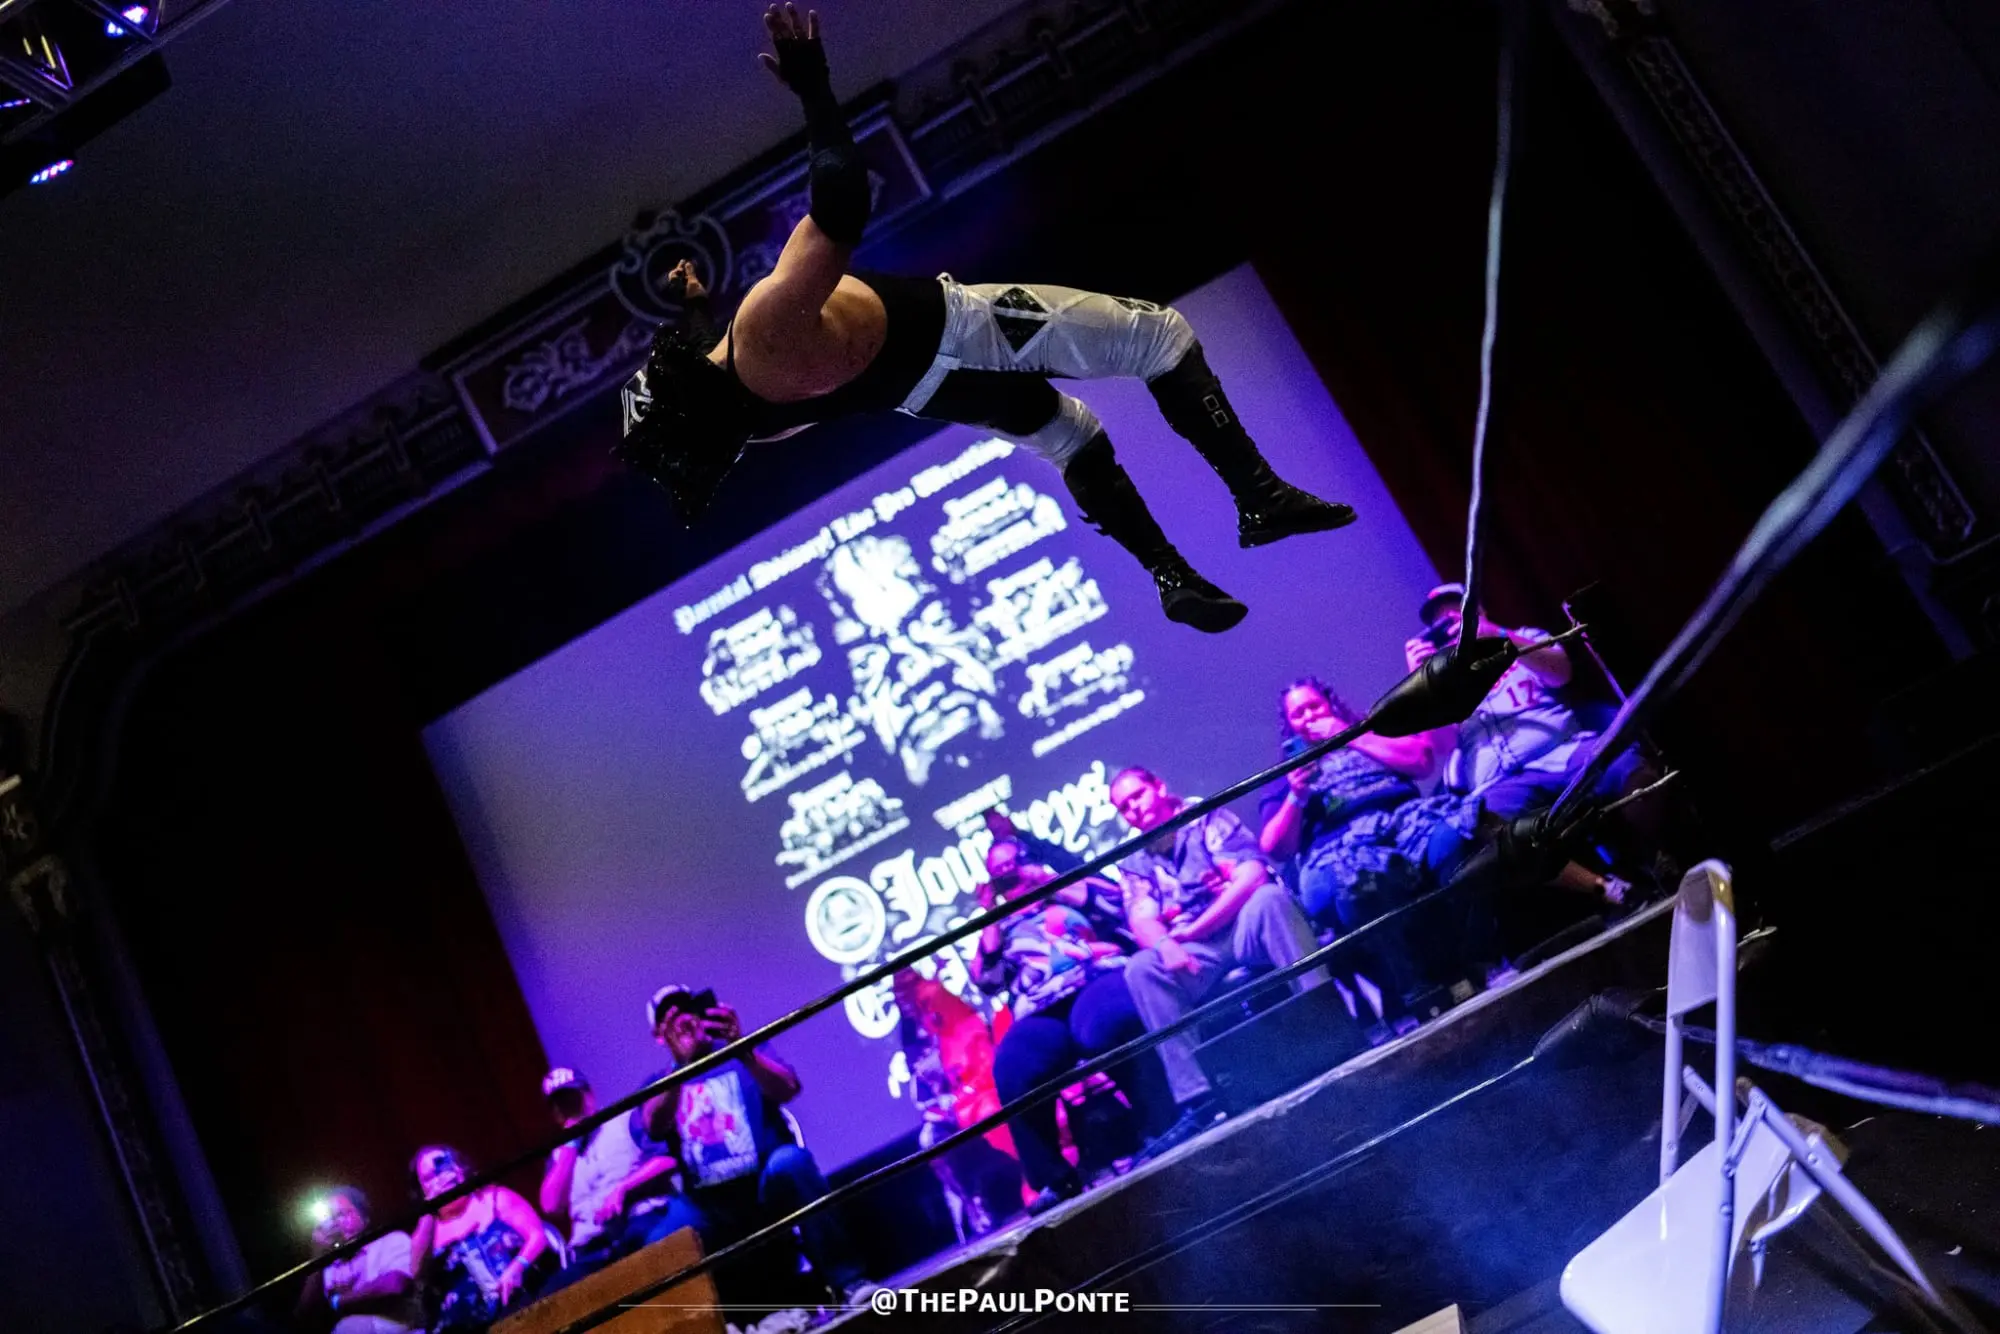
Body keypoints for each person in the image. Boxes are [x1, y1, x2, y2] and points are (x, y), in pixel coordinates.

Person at [616, 6, 1355, 634]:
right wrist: (814, 87)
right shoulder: (763, 329)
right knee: (1157, 335)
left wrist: (694, 301)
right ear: (681, 383)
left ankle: (1170, 576)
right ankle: (1258, 496)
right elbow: (841, 201)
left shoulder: (746, 419)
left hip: (933, 392)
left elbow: (709, 365)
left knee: (1070, 436)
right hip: (966, 331)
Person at [1111, 766, 1326, 1142]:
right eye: (1124, 807)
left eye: (1137, 796)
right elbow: (1142, 918)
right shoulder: (1133, 861)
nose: (1134, 809)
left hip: (1242, 924)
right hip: (1196, 954)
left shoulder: (1207, 816)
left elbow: (1252, 875)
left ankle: (1328, 1026)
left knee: (1270, 899)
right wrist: (1165, 945)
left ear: (1159, 787)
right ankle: (1201, 1099)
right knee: (1140, 968)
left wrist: (1195, 928)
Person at [1258, 677, 1476, 1037]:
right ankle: (1419, 993)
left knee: (1454, 838)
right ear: (1289, 726)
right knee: (1363, 884)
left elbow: (1420, 761)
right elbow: (1274, 847)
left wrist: (1348, 735)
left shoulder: (1370, 730)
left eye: (1314, 706)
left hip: (1403, 821)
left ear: (1330, 705)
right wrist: (1296, 796)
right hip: (1337, 847)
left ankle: (1476, 964)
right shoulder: (1287, 772)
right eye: (1298, 714)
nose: (1309, 716)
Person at [973, 839, 1174, 1212]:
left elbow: (1116, 906)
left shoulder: (1070, 889)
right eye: (999, 874)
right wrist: (989, 917)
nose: (1010, 876)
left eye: (1013, 865)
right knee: (1013, 1066)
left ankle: (1162, 1124)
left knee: (1106, 1024)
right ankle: (1055, 1178)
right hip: (1039, 1009)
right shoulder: (1003, 926)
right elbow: (987, 981)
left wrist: (1049, 885)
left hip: (1091, 979)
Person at [638, 984, 870, 1303]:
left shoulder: (742, 1052)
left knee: (792, 1163)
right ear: (660, 1035)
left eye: (686, 1008)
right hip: (709, 1205)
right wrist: (679, 1067)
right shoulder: (660, 1082)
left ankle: (849, 1281)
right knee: (663, 1238)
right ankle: (706, 1323)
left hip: (763, 1185)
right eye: (670, 1018)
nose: (683, 1021)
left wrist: (741, 1048)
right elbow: (654, 1125)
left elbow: (788, 1088)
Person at [890, 969, 1024, 1238]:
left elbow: (980, 1057)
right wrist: (939, 1096)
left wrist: (956, 1078)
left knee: (990, 1112)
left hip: (977, 1091)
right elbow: (921, 1082)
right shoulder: (910, 1030)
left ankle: (1031, 1174)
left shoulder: (945, 1007)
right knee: (930, 1140)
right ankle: (974, 1205)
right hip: (947, 1105)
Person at [536, 1067, 696, 1290]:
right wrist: (570, 1145)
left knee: (647, 1251)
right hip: (590, 1248)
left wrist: (624, 1188)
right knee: (554, 1292)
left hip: (639, 1223)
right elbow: (551, 1206)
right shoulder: (559, 1156)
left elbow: (667, 1160)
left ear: (589, 1096)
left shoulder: (624, 1120)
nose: (569, 1109)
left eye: (573, 1099)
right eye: (561, 1106)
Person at [409, 1145, 553, 1333]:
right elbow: (416, 1271)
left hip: (519, 1301)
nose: (441, 1177)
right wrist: (428, 1210)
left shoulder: (493, 1198)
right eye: (430, 1177)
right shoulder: (429, 1232)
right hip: (465, 1325)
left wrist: (517, 1267)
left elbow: (537, 1235)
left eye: (444, 1166)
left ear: (459, 1168)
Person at [294, 1186, 423, 1334]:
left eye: (341, 1214)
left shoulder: (392, 1240)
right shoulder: (332, 1265)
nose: (335, 1224)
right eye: (330, 1218)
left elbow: (394, 1285)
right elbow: (304, 1315)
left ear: (364, 1217)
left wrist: (338, 1301)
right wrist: (317, 1257)